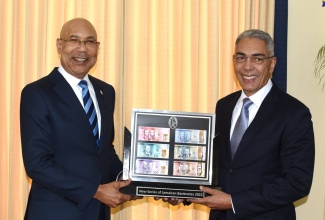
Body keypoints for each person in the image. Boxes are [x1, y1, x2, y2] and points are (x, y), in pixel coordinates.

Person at [163, 29, 315, 219]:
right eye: (241, 58)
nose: (247, 67)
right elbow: (218, 168)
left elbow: (297, 182)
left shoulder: (294, 112)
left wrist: (234, 202)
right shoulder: (224, 105)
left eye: (257, 59)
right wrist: (182, 191)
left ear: (272, 64)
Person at [20, 18, 138, 220]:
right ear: (60, 45)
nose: (82, 49)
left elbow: (104, 150)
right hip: (55, 213)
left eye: (90, 42)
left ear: (97, 48)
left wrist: (133, 181)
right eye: (74, 40)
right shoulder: (37, 93)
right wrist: (95, 191)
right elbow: (37, 163)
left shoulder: (106, 92)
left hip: (99, 213)